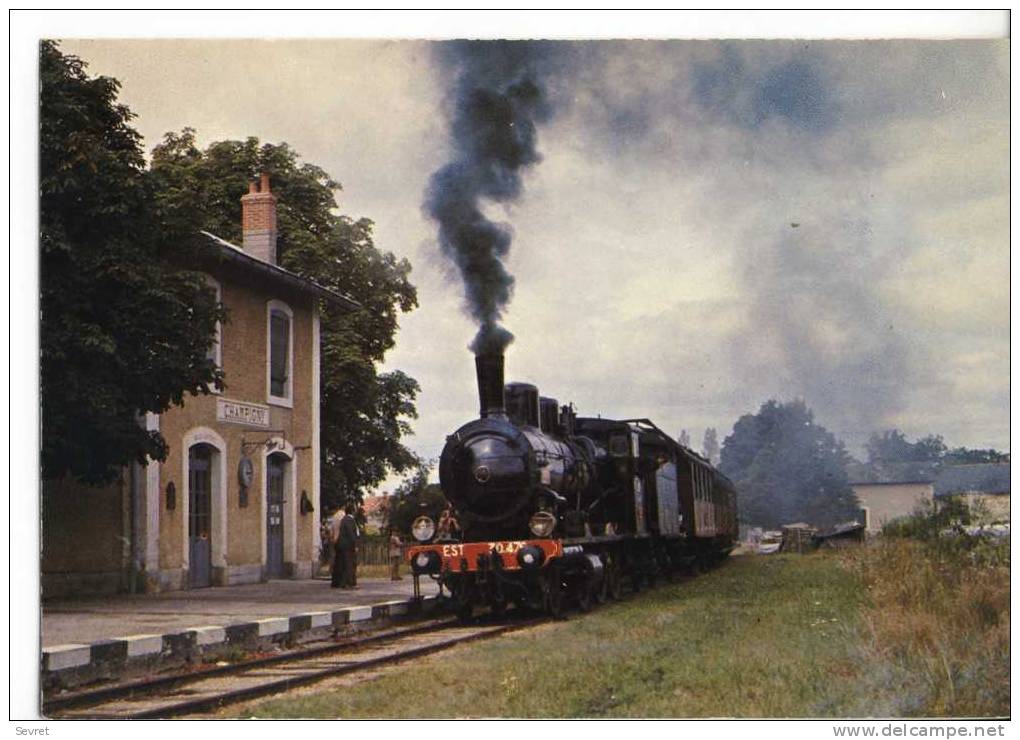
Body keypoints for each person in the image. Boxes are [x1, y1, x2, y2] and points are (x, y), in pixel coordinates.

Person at [337, 503, 360, 588]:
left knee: (346, 564)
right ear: (353, 511)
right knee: (350, 564)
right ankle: (350, 583)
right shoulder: (349, 520)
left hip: (344, 545)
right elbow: (351, 534)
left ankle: (345, 583)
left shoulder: (344, 519)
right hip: (348, 545)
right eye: (355, 509)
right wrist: (355, 545)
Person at [329, 507, 346, 588]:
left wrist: (332, 539)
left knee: (337, 562)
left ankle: (335, 581)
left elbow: (331, 530)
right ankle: (341, 581)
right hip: (342, 540)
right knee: (342, 562)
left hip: (335, 541)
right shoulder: (343, 516)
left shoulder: (334, 517)